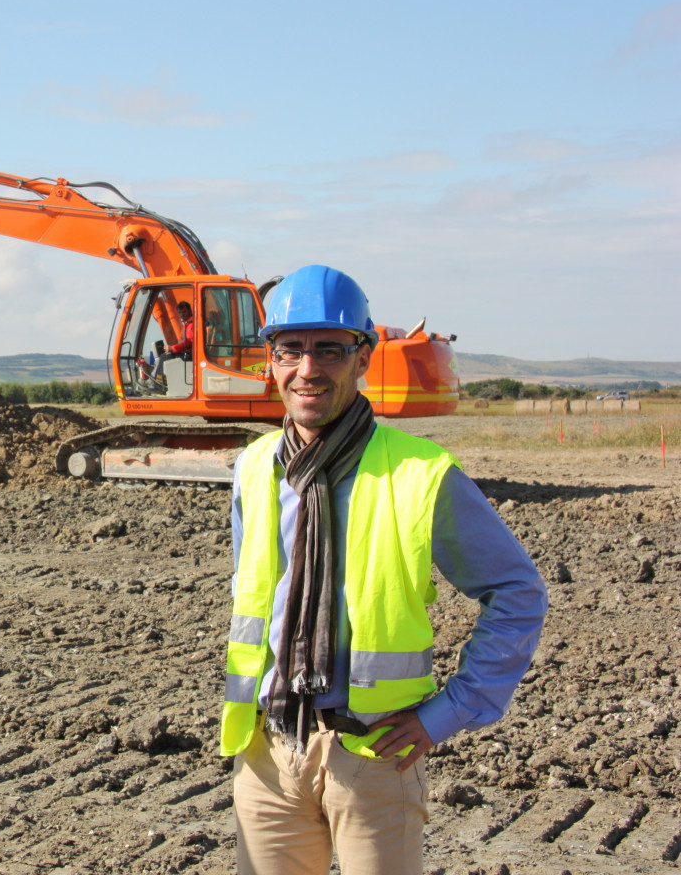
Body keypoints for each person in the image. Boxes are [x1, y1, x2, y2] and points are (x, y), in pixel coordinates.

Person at [219, 264, 547, 874]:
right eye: (290, 349)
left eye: (330, 350)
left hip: (373, 755)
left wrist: (445, 713)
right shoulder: (253, 468)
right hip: (266, 752)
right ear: (269, 360)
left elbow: (517, 593)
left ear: (363, 357)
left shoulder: (422, 473)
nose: (308, 369)